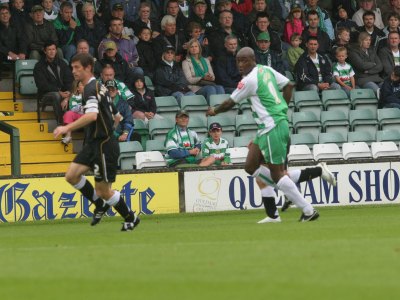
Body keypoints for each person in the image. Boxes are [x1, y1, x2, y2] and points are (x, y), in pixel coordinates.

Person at [206, 47, 320, 222]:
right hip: (267, 128)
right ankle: (279, 206)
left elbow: (230, 102)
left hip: (272, 127)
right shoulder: (266, 70)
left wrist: (214, 110)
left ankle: (307, 209)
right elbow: (288, 85)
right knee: (250, 166)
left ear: (253, 59)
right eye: (238, 61)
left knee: (277, 175)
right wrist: (283, 107)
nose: (240, 65)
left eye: (244, 61)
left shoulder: (250, 80)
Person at [53, 52, 140, 231]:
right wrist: (109, 127)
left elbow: (92, 116)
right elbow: (117, 115)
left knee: (103, 191)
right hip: (94, 143)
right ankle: (100, 205)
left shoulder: (92, 89)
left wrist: (66, 128)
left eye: (77, 67)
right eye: (72, 68)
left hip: (103, 145)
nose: (74, 71)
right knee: (71, 176)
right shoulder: (100, 88)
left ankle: (131, 217)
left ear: (88, 68)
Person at [33, 41, 74, 125]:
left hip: (63, 93)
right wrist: (59, 91)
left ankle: (74, 124)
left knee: (75, 93)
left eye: (54, 49)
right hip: (45, 95)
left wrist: (69, 91)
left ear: (56, 50)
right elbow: (42, 85)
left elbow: (69, 79)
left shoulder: (62, 63)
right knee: (56, 95)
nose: (52, 52)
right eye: (49, 49)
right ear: (45, 51)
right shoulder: (39, 66)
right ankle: (61, 123)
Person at [182, 38, 225, 104]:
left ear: (199, 48)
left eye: (196, 46)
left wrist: (210, 77)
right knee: (210, 89)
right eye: (192, 47)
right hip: (195, 87)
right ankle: (211, 110)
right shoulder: (185, 62)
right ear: (189, 49)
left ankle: (221, 109)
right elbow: (189, 80)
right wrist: (202, 77)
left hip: (207, 83)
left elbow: (213, 77)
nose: (194, 48)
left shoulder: (206, 60)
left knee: (220, 88)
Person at [61, 80, 84, 144]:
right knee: (68, 114)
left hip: (88, 115)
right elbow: (72, 108)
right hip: (78, 115)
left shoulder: (89, 94)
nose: (84, 86)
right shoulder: (73, 97)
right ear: (77, 88)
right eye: (82, 85)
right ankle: (68, 136)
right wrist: (80, 106)